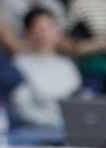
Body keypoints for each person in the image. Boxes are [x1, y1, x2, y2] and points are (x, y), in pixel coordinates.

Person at [10, 9, 81, 138]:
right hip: (31, 130)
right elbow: (21, 104)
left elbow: (77, 99)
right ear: (28, 33)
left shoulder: (67, 65)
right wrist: (52, 122)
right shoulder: (19, 64)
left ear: (57, 32)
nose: (43, 34)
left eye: (48, 28)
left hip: (68, 129)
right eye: (38, 29)